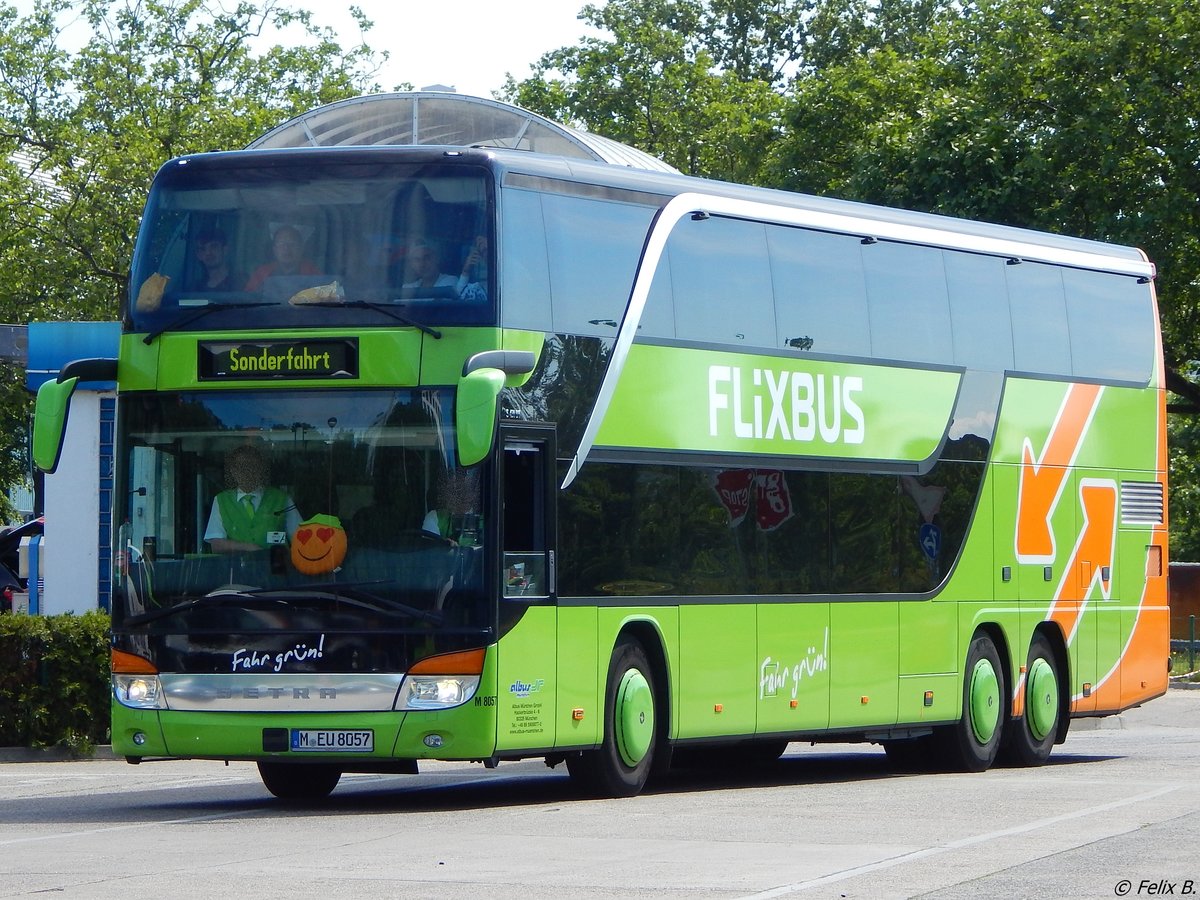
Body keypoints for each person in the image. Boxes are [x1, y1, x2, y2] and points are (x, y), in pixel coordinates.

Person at [204, 445, 302, 553]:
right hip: (236, 569)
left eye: (252, 466)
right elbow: (217, 545)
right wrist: (248, 547)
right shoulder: (221, 500)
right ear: (233, 471)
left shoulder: (282, 499)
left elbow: (302, 540)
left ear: (260, 469)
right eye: (242, 467)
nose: (247, 471)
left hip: (274, 568)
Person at [403, 238, 486, 301]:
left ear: (437, 258)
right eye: (417, 260)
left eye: (427, 257)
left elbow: (459, 295)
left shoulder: (450, 282)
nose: (422, 264)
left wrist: (465, 272)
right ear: (411, 264)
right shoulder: (407, 288)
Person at [243, 224, 320, 292]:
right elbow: (248, 298)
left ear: (301, 249)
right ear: (274, 250)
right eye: (281, 243)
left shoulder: (313, 274)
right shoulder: (261, 273)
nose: (286, 248)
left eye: (292, 244)